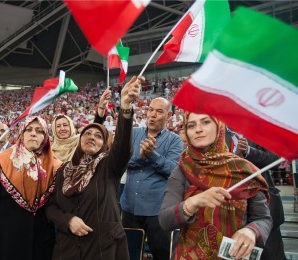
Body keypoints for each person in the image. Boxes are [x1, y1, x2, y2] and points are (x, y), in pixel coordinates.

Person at [45, 76, 144, 260]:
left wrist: (125, 107)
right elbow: (51, 208)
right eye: (87, 133)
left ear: (104, 144)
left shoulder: (108, 166)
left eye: (98, 136)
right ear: (80, 139)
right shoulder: (64, 171)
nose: (91, 137)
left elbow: (122, 146)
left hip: (103, 248)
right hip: (68, 250)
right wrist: (68, 221)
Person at [159, 113, 272, 260]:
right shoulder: (182, 169)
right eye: (191, 125)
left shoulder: (243, 170)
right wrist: (193, 202)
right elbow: (165, 220)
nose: (198, 129)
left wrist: (252, 231)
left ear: (219, 126)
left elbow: (263, 218)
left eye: (205, 122)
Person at [0, 116, 62, 260]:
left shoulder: (56, 166)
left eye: (39, 130)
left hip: (41, 240)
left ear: (45, 137)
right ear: (21, 134)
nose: (33, 133)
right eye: (28, 129)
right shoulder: (2, 160)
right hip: (7, 238)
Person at [120, 97, 183, 260]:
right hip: (129, 208)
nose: (153, 115)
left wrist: (151, 155)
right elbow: (122, 161)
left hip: (157, 211)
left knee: (161, 254)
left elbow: (173, 170)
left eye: (159, 111)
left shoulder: (174, 140)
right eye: (150, 110)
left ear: (168, 116)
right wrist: (141, 157)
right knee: (129, 254)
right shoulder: (133, 133)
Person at [232, 134, 287, 260]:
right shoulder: (217, 131)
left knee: (271, 254)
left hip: (264, 207)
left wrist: (248, 152)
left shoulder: (259, 130)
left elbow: (276, 159)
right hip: (231, 209)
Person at [51, 88, 110, 163]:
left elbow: (96, 127)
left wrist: (101, 106)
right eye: (58, 126)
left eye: (65, 125)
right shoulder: (50, 151)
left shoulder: (81, 141)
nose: (62, 128)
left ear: (71, 127)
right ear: (54, 130)